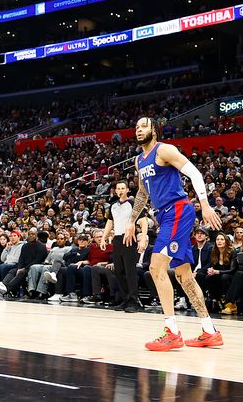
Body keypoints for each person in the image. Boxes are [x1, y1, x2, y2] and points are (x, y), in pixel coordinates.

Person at [128, 117, 223, 351]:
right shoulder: (139, 160)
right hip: (164, 216)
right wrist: (131, 221)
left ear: (154, 130)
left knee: (155, 267)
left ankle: (171, 332)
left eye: (144, 126)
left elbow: (195, 173)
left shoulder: (165, 150)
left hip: (178, 210)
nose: (139, 130)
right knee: (184, 277)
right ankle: (210, 331)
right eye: (137, 127)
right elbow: (142, 193)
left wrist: (206, 204)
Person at [101, 180, 147, 312]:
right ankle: (125, 300)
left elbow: (143, 222)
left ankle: (134, 302)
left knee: (129, 271)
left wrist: (142, 239)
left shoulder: (133, 203)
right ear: (115, 191)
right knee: (119, 271)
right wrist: (104, 238)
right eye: (118, 188)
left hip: (130, 239)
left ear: (127, 190)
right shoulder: (113, 206)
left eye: (123, 188)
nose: (120, 190)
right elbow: (110, 223)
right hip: (117, 239)